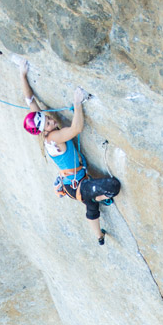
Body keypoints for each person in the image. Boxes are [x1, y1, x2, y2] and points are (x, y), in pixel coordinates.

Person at [20, 61, 121, 245]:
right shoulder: (54, 137)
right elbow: (77, 127)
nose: (51, 120)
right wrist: (77, 103)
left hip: (72, 185)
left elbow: (30, 100)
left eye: (48, 119)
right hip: (77, 186)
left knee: (91, 206)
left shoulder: (44, 129)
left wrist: (23, 76)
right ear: (45, 131)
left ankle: (99, 237)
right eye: (49, 123)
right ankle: (99, 198)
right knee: (112, 187)